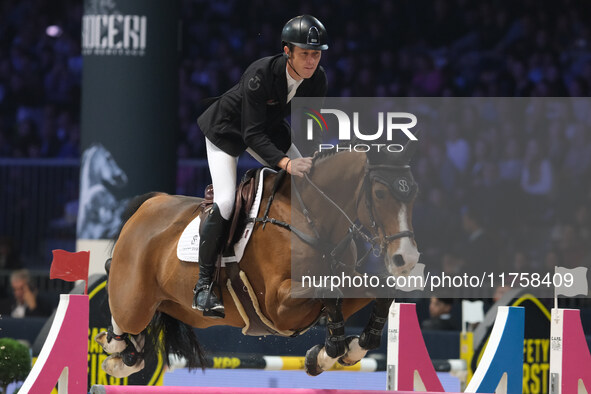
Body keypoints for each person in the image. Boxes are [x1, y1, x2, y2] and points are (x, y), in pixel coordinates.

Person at [193, 15, 329, 317]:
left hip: (267, 131)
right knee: (227, 201)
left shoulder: (317, 78)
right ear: (287, 51)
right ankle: (203, 287)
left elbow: (312, 125)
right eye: (304, 53)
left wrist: (315, 158)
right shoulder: (260, 74)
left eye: (316, 53)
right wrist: (285, 163)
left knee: (311, 182)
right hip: (228, 132)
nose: (311, 60)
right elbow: (250, 134)